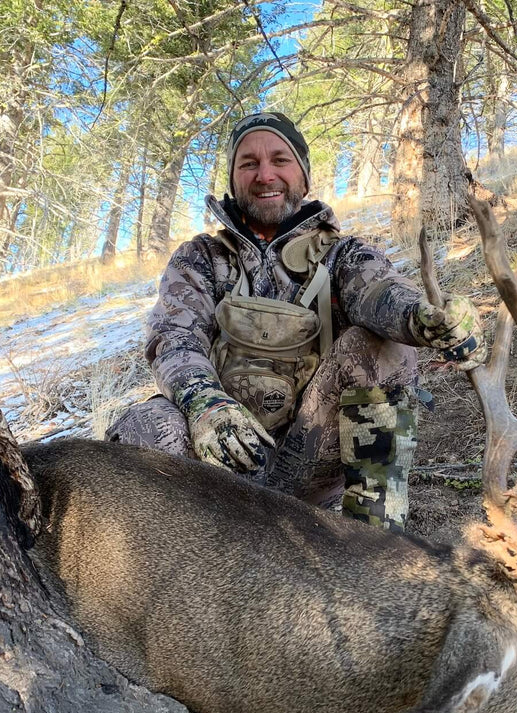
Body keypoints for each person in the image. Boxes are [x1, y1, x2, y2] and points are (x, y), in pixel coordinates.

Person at [107, 112, 485, 532]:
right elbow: (174, 338)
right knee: (145, 427)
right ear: (233, 178)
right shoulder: (200, 258)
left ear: (303, 177)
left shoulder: (343, 254)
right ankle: (168, 567)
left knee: (383, 346)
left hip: (310, 462)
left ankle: (374, 543)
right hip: (218, 465)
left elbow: (377, 292)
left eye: (280, 160)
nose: (265, 174)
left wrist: (419, 317)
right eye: (248, 163)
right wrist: (205, 402)